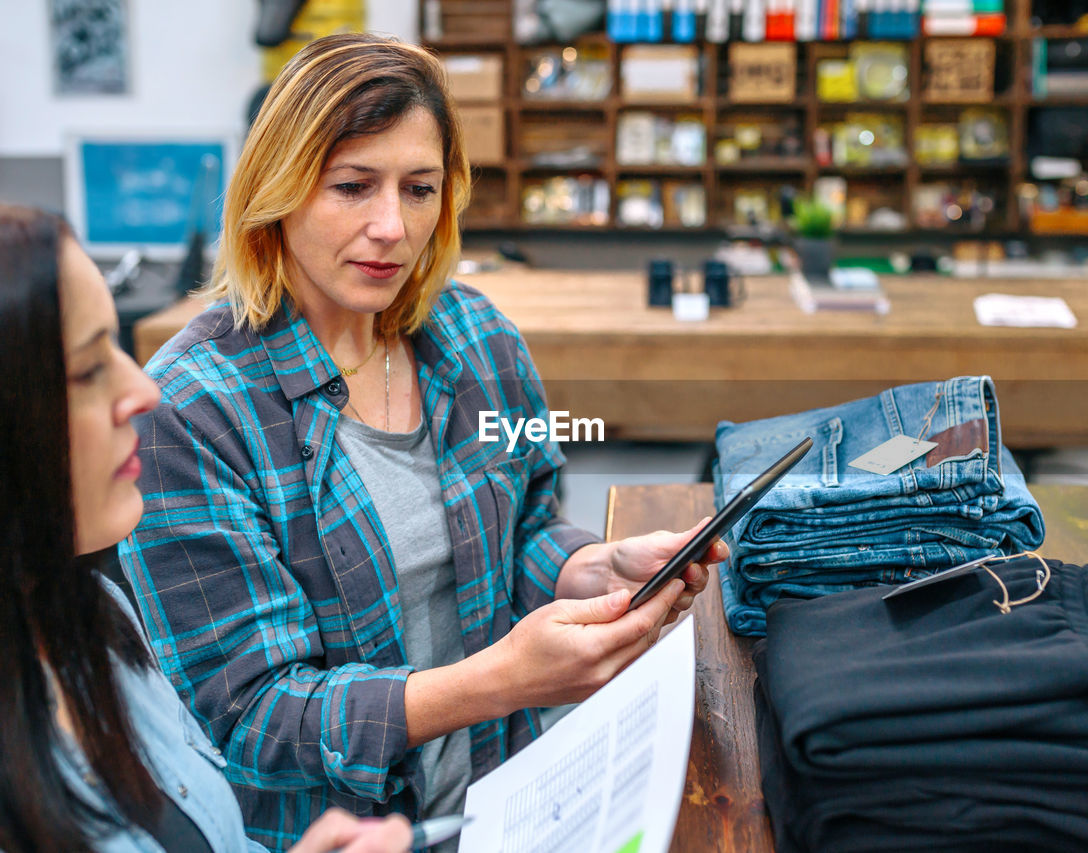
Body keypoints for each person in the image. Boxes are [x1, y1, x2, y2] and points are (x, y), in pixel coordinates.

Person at [118, 33, 725, 852]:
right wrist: (500, 680)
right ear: (278, 188)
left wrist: (588, 567)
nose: (390, 227)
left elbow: (528, 522)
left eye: (420, 189)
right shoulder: (189, 412)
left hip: (507, 800)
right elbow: (252, 714)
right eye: (352, 186)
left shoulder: (476, 339)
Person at [0, 203, 413, 852]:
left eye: (420, 188)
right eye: (86, 370)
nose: (143, 391)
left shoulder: (93, 611)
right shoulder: (206, 402)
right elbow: (259, 709)